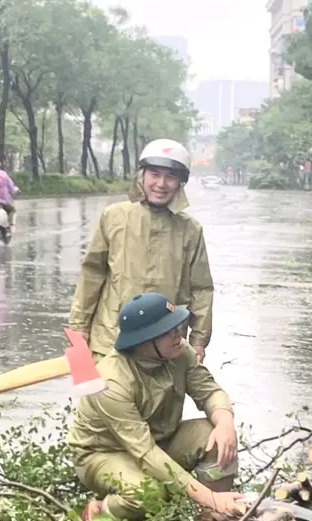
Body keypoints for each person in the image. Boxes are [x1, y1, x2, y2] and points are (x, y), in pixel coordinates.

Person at [70, 293, 244, 521]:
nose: (179, 335)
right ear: (143, 340)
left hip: (159, 439)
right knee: (147, 494)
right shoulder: (112, 382)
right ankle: (99, 512)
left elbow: (209, 392)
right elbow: (145, 452)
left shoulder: (180, 352)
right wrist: (210, 496)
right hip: (103, 453)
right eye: (168, 331)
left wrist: (226, 421)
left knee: (215, 436)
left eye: (178, 327)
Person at [69, 139, 214, 360]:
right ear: (142, 176)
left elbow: (201, 289)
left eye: (170, 177)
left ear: (180, 183)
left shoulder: (190, 230)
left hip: (166, 347)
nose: (161, 183)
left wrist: (199, 341)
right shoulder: (114, 217)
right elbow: (92, 274)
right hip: (110, 342)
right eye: (154, 174)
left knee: (163, 395)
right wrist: (79, 327)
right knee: (103, 394)